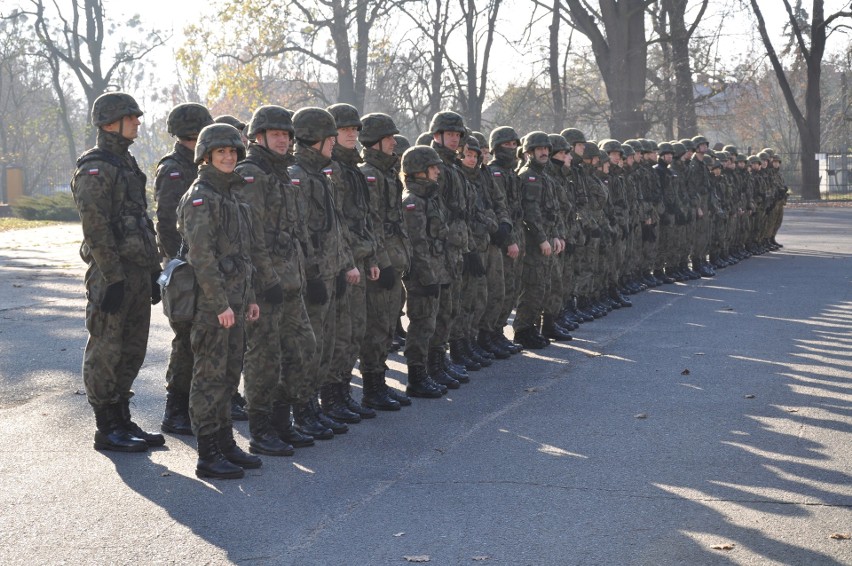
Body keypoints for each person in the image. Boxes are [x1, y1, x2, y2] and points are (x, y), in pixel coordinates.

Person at [71, 91, 164, 453]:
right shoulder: (96, 166)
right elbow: (96, 229)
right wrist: (112, 277)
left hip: (138, 271)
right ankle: (106, 427)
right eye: (132, 117)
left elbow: (142, 222)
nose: (138, 122)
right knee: (107, 348)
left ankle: (122, 418)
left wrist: (154, 270)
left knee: (133, 348)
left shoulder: (126, 163)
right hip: (114, 274)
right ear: (111, 122)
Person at [177, 123, 261, 479]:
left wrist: (250, 298)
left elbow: (244, 253)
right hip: (214, 306)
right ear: (206, 156)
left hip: (237, 300)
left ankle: (225, 443)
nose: (228, 157)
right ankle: (208, 453)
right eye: (220, 152)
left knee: (229, 376)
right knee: (209, 378)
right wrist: (219, 304)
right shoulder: (201, 196)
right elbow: (202, 256)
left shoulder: (232, 194)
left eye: (232, 152)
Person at [235, 105, 317, 454]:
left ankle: (283, 421)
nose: (283, 139)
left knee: (300, 349)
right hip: (265, 285)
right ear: (259, 136)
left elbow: (295, 230)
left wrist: (307, 272)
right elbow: (249, 236)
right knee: (263, 358)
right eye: (276, 134)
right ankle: (262, 429)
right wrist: (265, 280)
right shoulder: (251, 174)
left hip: (290, 282)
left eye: (286, 134)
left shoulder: (283, 174)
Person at [288, 107, 358, 438]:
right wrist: (314, 275)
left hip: (331, 273)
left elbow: (335, 229)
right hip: (313, 278)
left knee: (327, 345)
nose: (334, 142)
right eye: (329, 137)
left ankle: (315, 405)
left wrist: (344, 266)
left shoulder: (322, 175)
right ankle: (301, 410)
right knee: (308, 348)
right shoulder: (298, 177)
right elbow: (300, 234)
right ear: (314, 140)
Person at [155, 102, 214, 436]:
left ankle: (200, 404)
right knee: (186, 342)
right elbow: (165, 223)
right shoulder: (174, 168)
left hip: (203, 265)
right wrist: (180, 264)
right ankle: (175, 410)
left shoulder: (199, 163)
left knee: (204, 340)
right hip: (186, 269)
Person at [359, 113, 413, 410]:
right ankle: (372, 388)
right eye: (389, 138)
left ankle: (378, 383)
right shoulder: (369, 174)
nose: (394, 142)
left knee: (385, 327)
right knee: (376, 327)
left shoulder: (387, 173)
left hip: (393, 257)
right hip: (381, 263)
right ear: (375, 142)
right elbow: (372, 223)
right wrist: (383, 261)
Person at [400, 146, 452, 398]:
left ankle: (435, 367)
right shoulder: (412, 202)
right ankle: (417, 377)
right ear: (419, 171)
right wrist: (428, 276)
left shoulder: (431, 198)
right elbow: (416, 244)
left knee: (436, 322)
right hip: (422, 276)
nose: (437, 171)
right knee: (421, 325)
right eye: (432, 167)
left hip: (437, 270)